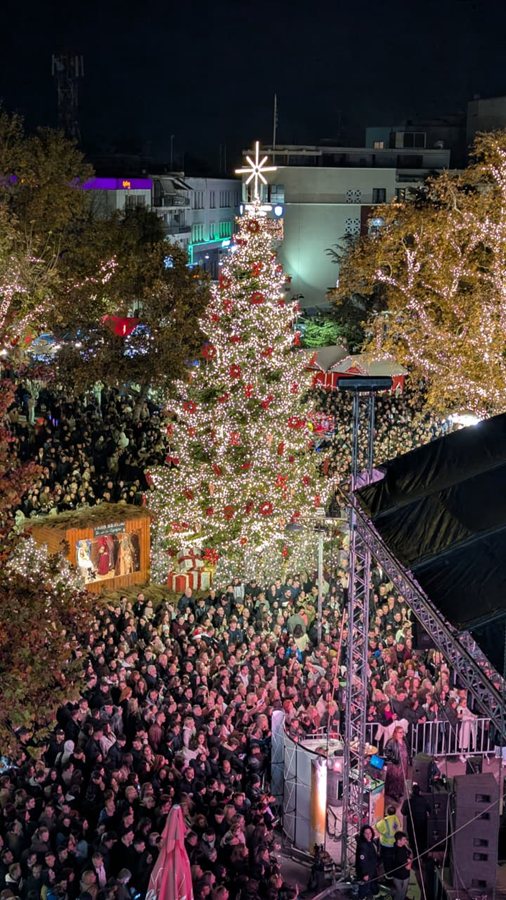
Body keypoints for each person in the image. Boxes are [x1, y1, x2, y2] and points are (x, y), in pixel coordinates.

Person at [401, 784, 430, 890]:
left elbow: (403, 812)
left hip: (412, 826)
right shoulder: (424, 800)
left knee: (414, 844)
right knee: (423, 842)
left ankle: (417, 863)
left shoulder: (408, 802)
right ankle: (425, 859)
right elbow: (429, 810)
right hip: (423, 826)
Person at [375, 804, 401, 880]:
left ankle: (388, 877)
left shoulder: (384, 821)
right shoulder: (396, 818)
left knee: (387, 861)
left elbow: (377, 827)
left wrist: (378, 820)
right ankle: (393, 874)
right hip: (394, 844)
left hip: (386, 845)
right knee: (393, 860)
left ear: (386, 812)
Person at [384, 726, 409, 802]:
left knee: (402, 778)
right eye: (400, 732)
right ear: (396, 733)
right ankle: (393, 793)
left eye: (402, 732)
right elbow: (387, 752)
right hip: (395, 763)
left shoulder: (404, 740)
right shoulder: (391, 741)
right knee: (395, 778)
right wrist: (393, 759)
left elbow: (407, 748)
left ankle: (399, 791)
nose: (402, 734)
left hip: (403, 763)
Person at [355, 824, 380, 898]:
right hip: (366, 873)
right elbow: (362, 861)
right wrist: (365, 874)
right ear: (363, 834)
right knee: (364, 890)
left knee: (371, 888)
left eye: (370, 833)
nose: (369, 835)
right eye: (366, 833)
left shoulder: (371, 842)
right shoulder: (363, 845)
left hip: (372, 870)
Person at [391, 831, 413, 900]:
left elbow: (410, 852)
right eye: (404, 839)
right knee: (401, 893)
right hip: (401, 877)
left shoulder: (400, 846)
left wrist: (408, 848)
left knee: (401, 892)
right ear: (399, 841)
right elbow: (408, 867)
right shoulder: (399, 853)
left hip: (399, 875)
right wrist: (410, 860)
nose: (406, 841)